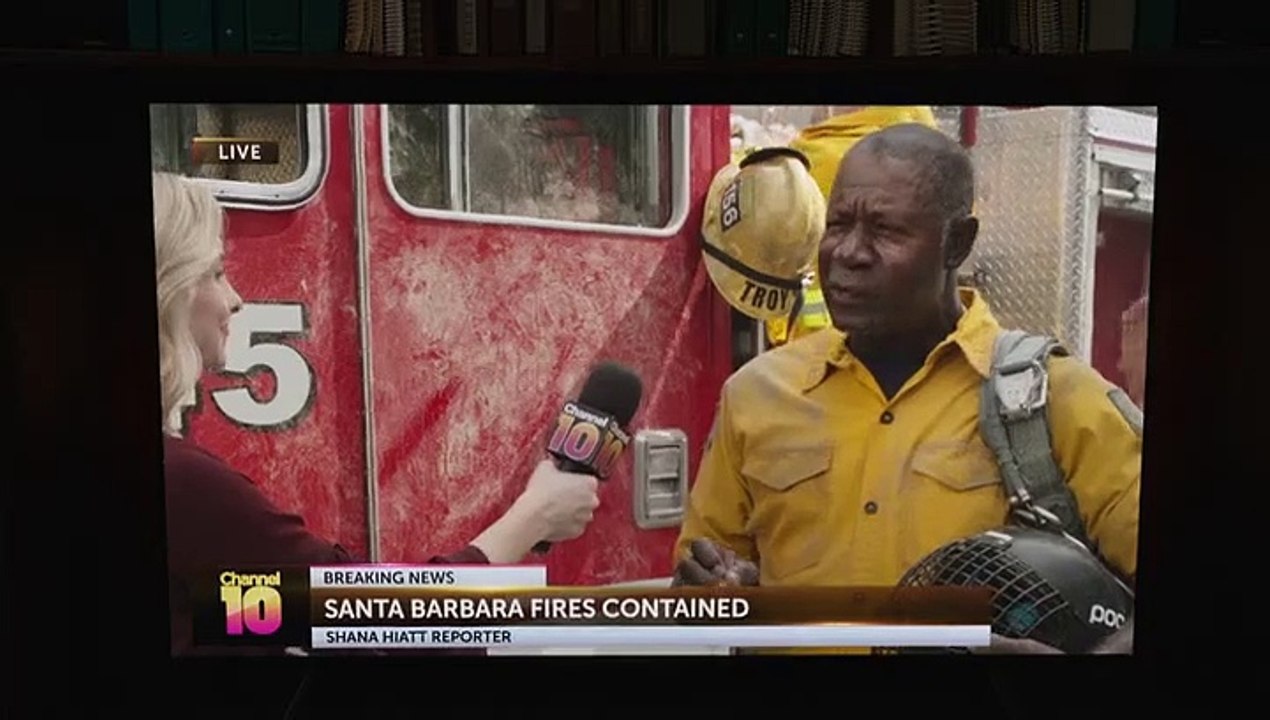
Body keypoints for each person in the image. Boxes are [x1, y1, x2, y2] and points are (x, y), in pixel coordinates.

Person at [673, 124, 1141, 654]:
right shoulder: (754, 395)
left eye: (885, 230)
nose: (849, 252)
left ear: (956, 243)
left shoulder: (1053, 399)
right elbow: (699, 586)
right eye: (838, 224)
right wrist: (717, 591)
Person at [153, 172, 601, 655]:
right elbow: (390, 624)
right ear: (170, 289)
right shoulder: (182, 482)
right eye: (216, 273)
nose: (235, 299)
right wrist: (534, 517)